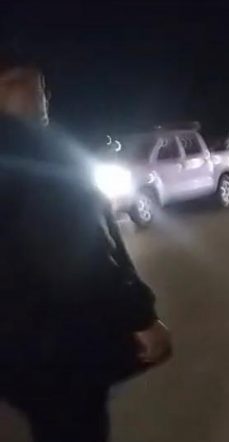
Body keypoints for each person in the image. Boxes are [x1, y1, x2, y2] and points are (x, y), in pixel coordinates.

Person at [0, 52, 172, 442]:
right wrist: (141, 317)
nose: (44, 99)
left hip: (15, 351)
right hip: (59, 345)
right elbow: (80, 254)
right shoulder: (40, 152)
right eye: (36, 88)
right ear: (7, 88)